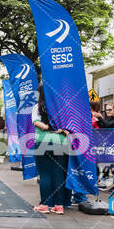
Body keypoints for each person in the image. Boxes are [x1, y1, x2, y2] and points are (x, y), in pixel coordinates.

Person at [32, 84, 71, 214]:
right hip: (60, 142)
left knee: (45, 174)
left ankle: (44, 204)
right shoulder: (60, 107)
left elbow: (37, 123)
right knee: (59, 173)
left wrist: (48, 127)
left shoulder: (37, 107)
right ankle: (59, 205)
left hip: (42, 142)